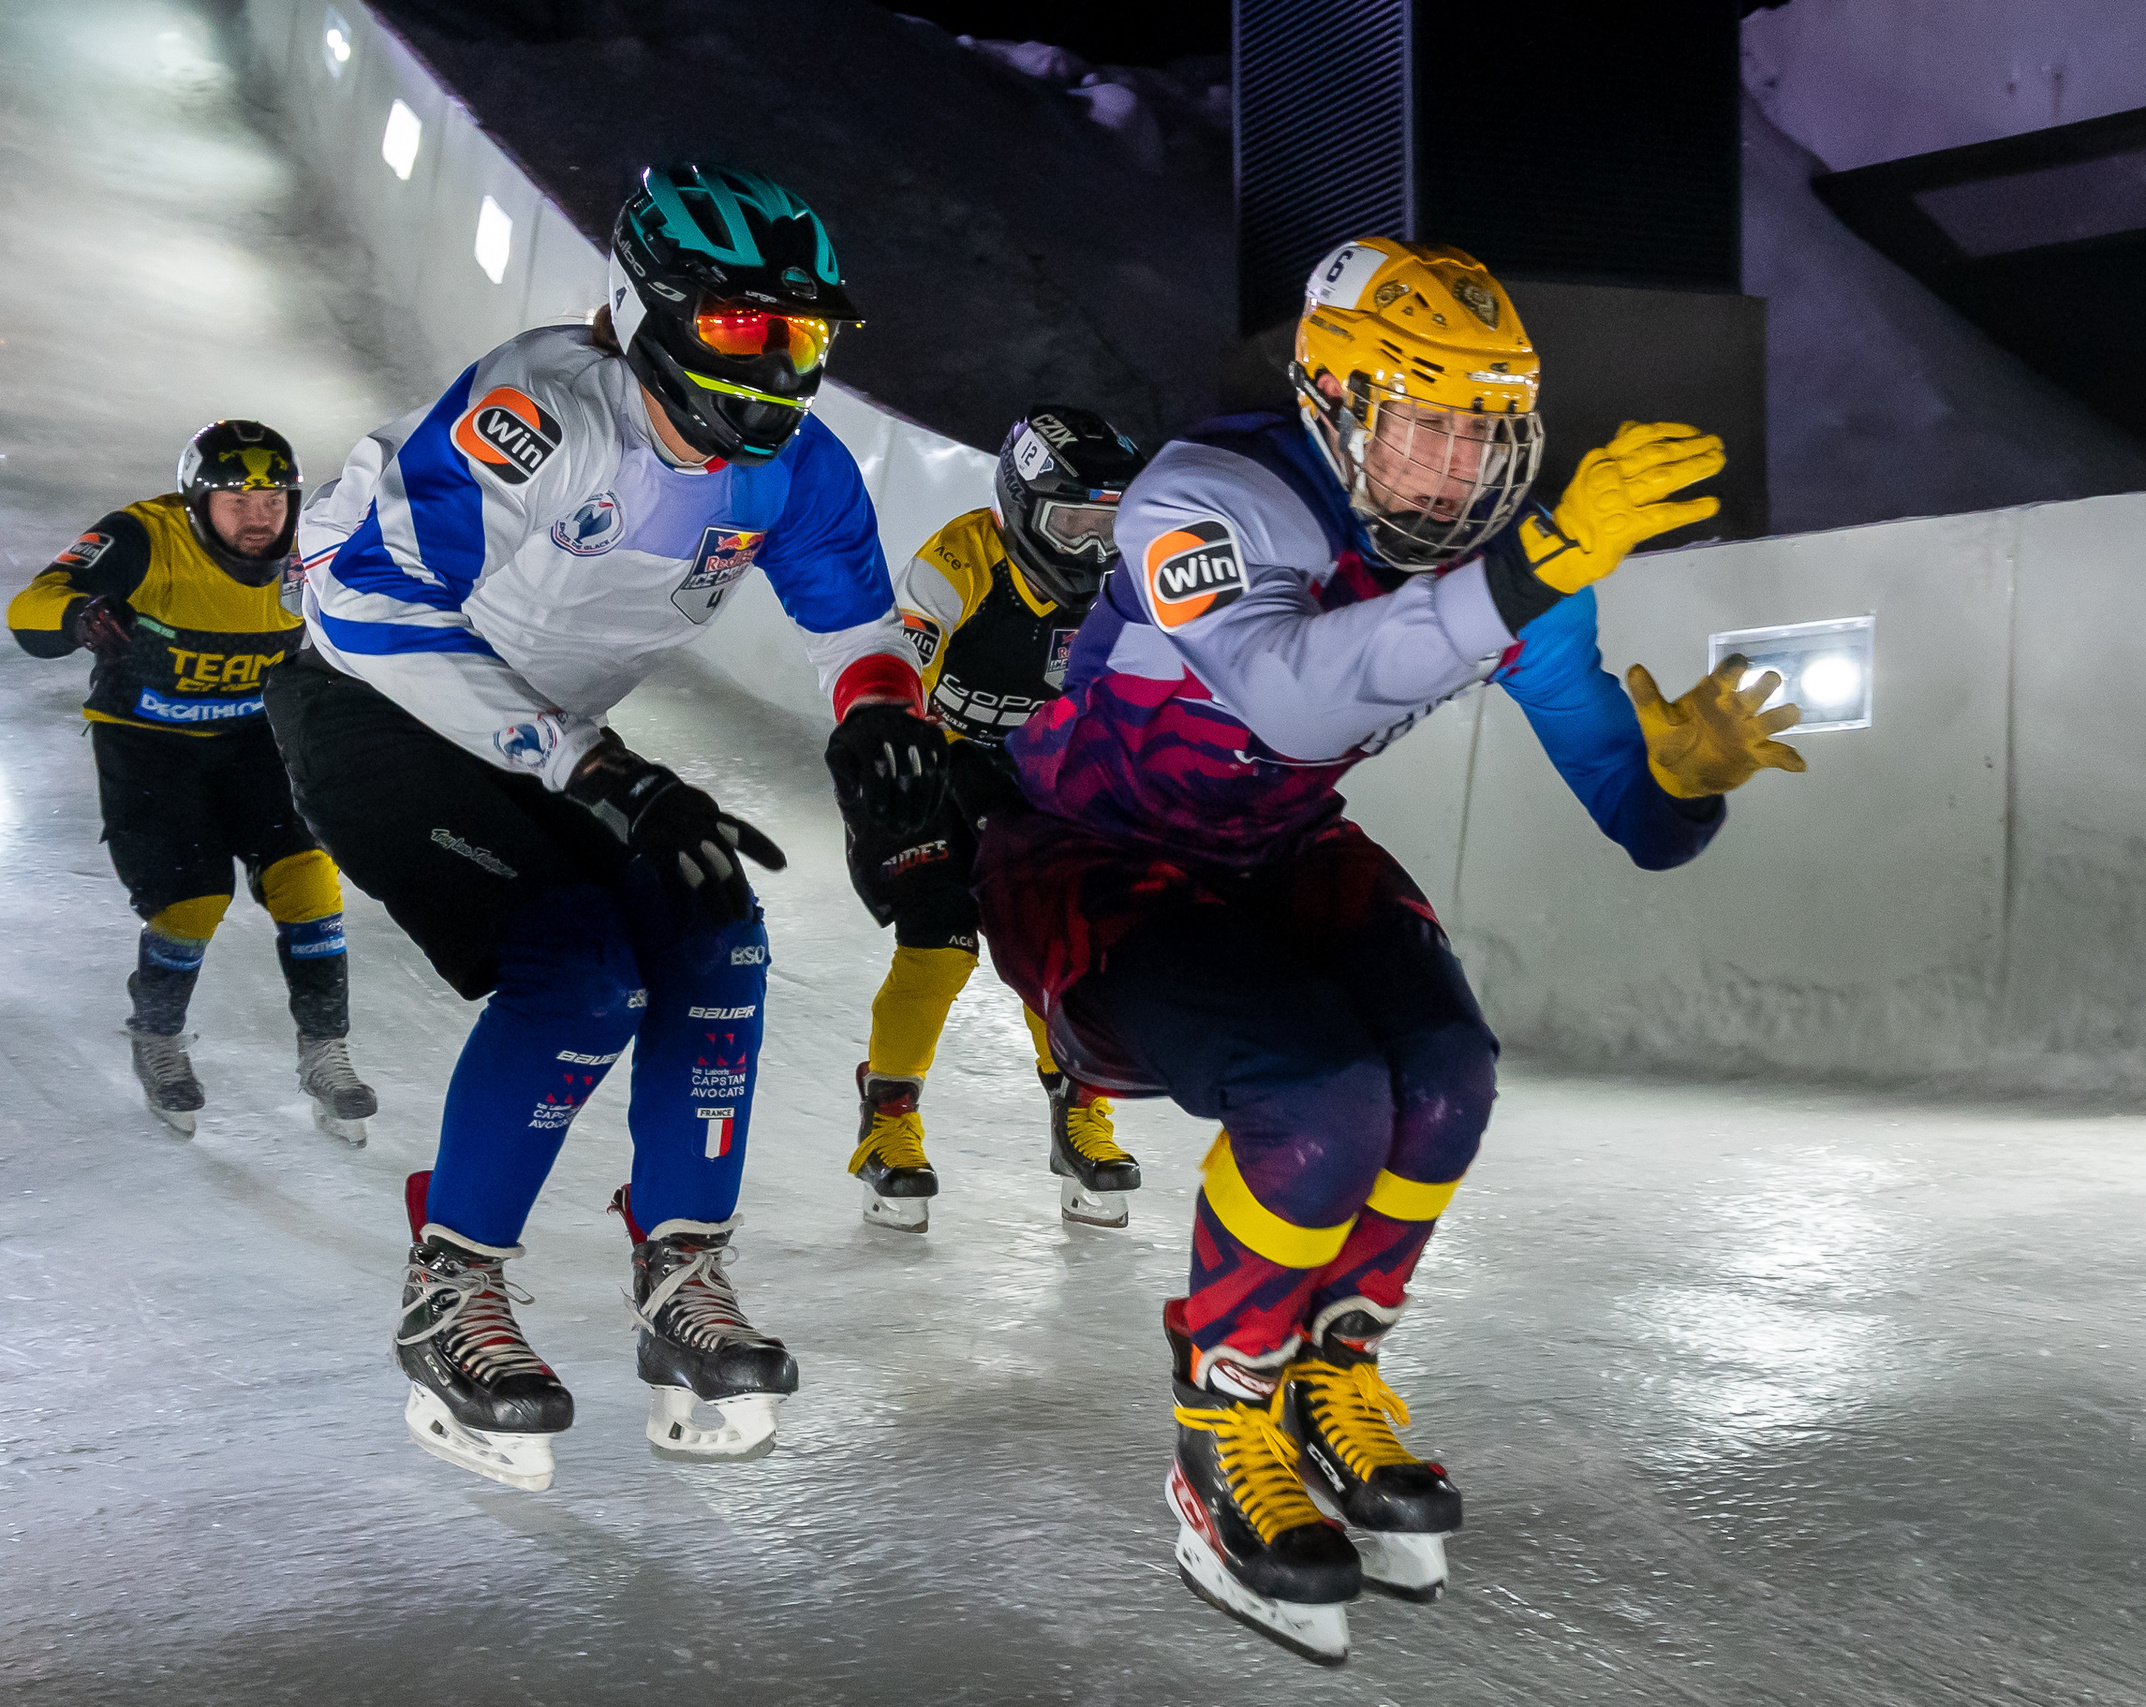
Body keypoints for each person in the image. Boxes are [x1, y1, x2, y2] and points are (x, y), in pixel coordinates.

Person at [973, 238, 1806, 1662]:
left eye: (1488, 430)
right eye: (1427, 423)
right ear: (1337, 403)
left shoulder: (1509, 560)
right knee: (1320, 1090)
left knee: (1446, 1069)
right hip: (1084, 857)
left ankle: (1331, 1367)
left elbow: (1639, 820)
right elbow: (1297, 697)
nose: (1456, 469)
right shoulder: (1206, 494)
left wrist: (1684, 779)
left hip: (1269, 850)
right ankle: (1222, 1418)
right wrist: (1534, 568)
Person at [266, 163, 948, 1492]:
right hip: (368, 701)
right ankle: (447, 1281)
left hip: (539, 731)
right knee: (578, 968)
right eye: (746, 326)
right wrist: (591, 763)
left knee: (715, 928)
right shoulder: (542, 409)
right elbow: (362, 606)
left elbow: (856, 622)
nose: (781, 366)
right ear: (647, 312)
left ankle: (681, 1264)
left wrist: (878, 714)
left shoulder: (795, 471)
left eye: (802, 333)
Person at [8, 421, 376, 1141]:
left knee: (311, 883)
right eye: (236, 500)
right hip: (148, 744)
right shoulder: (143, 536)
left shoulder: (318, 542)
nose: (259, 517)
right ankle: (157, 1033)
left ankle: (324, 1048)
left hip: (257, 741)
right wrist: (79, 614)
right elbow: (31, 606)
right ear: (194, 503)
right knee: (193, 900)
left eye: (274, 499)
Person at [846, 406, 1148, 1232]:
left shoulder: (1129, 587)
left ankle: (1083, 1111)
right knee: (939, 939)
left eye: (1108, 526)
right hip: (925, 765)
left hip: (1031, 777)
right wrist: (888, 745)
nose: (1092, 549)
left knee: (1060, 941)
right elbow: (903, 655)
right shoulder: (960, 559)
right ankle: (889, 1121)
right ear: (1020, 510)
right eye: (1073, 524)